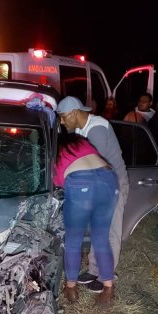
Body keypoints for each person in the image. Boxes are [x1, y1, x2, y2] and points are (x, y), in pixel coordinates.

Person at [56, 96, 128, 294]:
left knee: (107, 232)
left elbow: (93, 165)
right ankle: (98, 274)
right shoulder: (78, 131)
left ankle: (106, 275)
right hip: (105, 181)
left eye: (63, 118)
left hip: (114, 180)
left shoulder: (97, 127)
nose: (62, 122)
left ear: (73, 113)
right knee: (100, 234)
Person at [54, 133, 118, 306]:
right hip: (109, 178)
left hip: (80, 182)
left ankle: (71, 289)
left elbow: (59, 181)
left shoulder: (59, 151)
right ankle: (108, 289)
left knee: (74, 241)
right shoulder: (84, 144)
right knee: (101, 239)